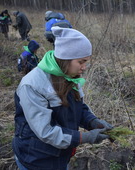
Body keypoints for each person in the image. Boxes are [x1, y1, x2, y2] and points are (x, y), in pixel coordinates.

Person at [12, 26, 113, 170]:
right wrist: (84, 137)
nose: (84, 67)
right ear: (66, 58)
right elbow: (46, 131)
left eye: (86, 62)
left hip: (60, 156)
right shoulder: (32, 85)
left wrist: (93, 122)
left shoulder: (70, 76)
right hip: (35, 159)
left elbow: (79, 108)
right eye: (81, 62)